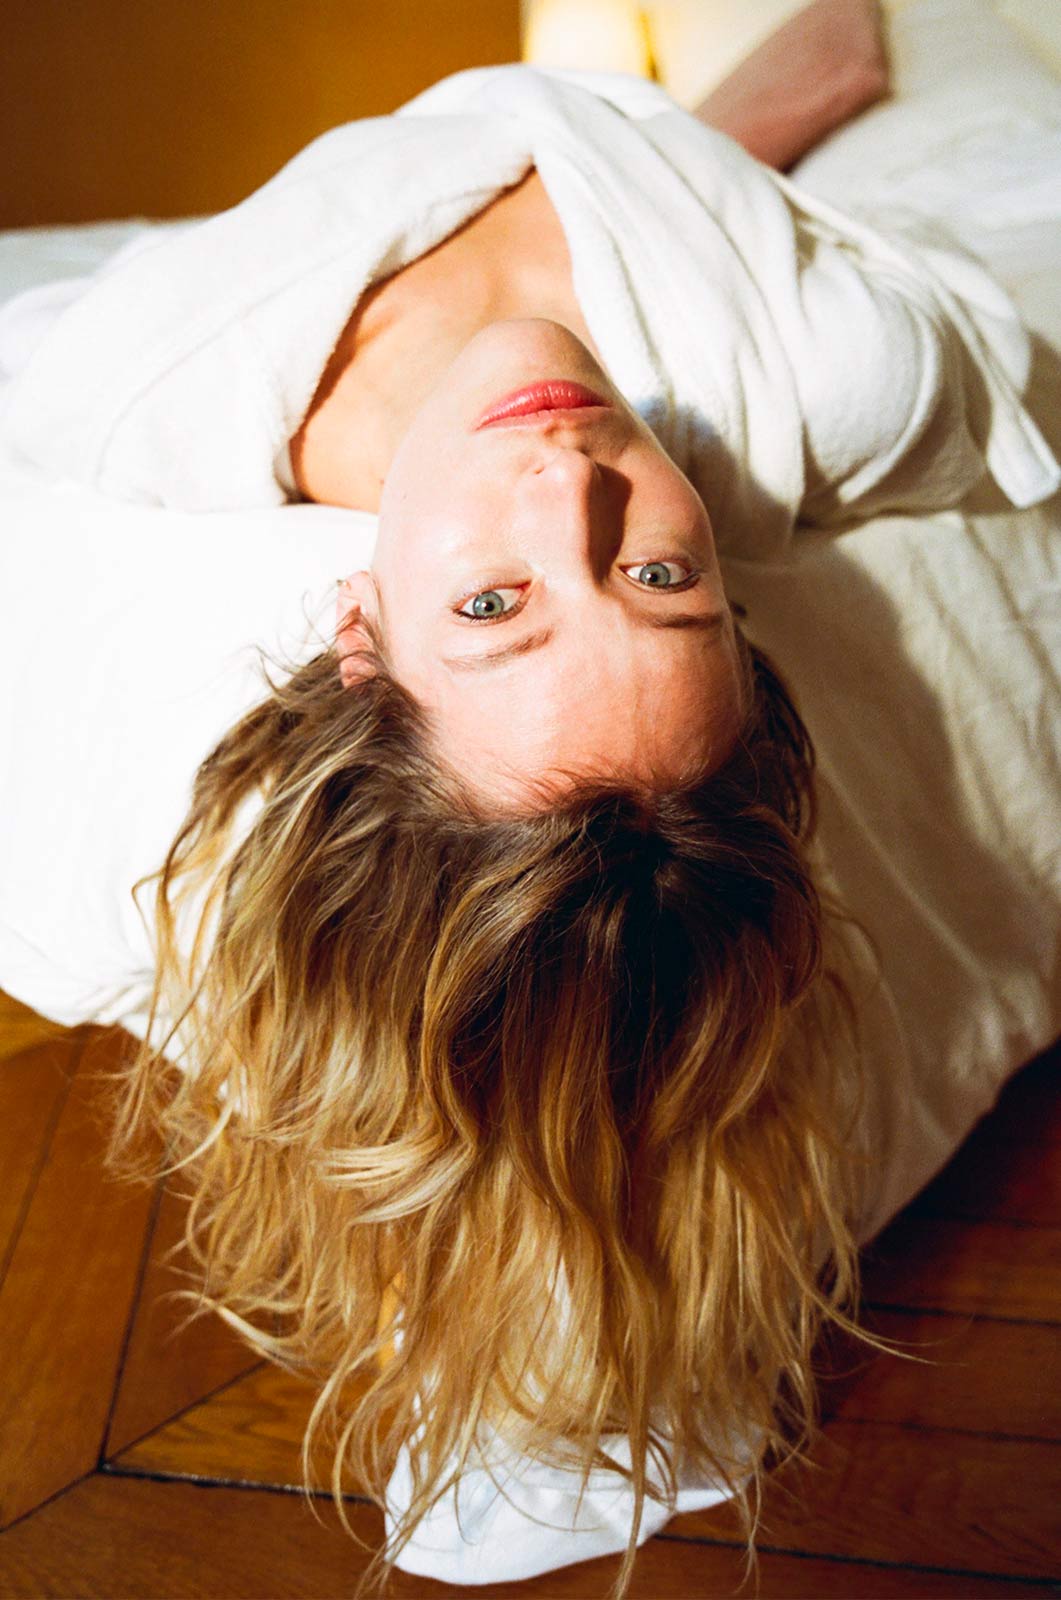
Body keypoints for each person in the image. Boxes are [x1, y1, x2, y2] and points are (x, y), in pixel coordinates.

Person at [0, 4, 1059, 1593]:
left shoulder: (143, 399)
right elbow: (981, 347)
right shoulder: (841, 383)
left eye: (493, 609)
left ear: (354, 632)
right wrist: (716, 149)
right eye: (660, 575)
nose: (568, 479)